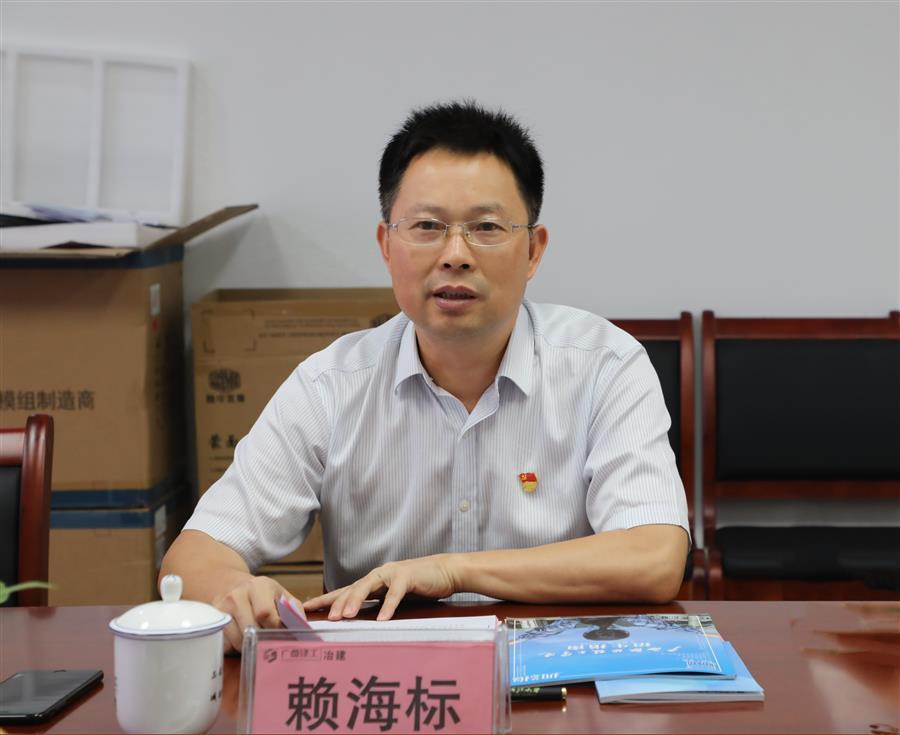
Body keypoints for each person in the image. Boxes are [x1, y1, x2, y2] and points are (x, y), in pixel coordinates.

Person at [161, 101, 690, 653]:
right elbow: (191, 557)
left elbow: (655, 559)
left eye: (486, 227)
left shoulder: (605, 366)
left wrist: (452, 571)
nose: (455, 255)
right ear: (387, 246)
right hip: (388, 677)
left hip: (559, 669)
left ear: (533, 251)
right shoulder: (329, 387)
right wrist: (234, 591)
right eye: (427, 227)